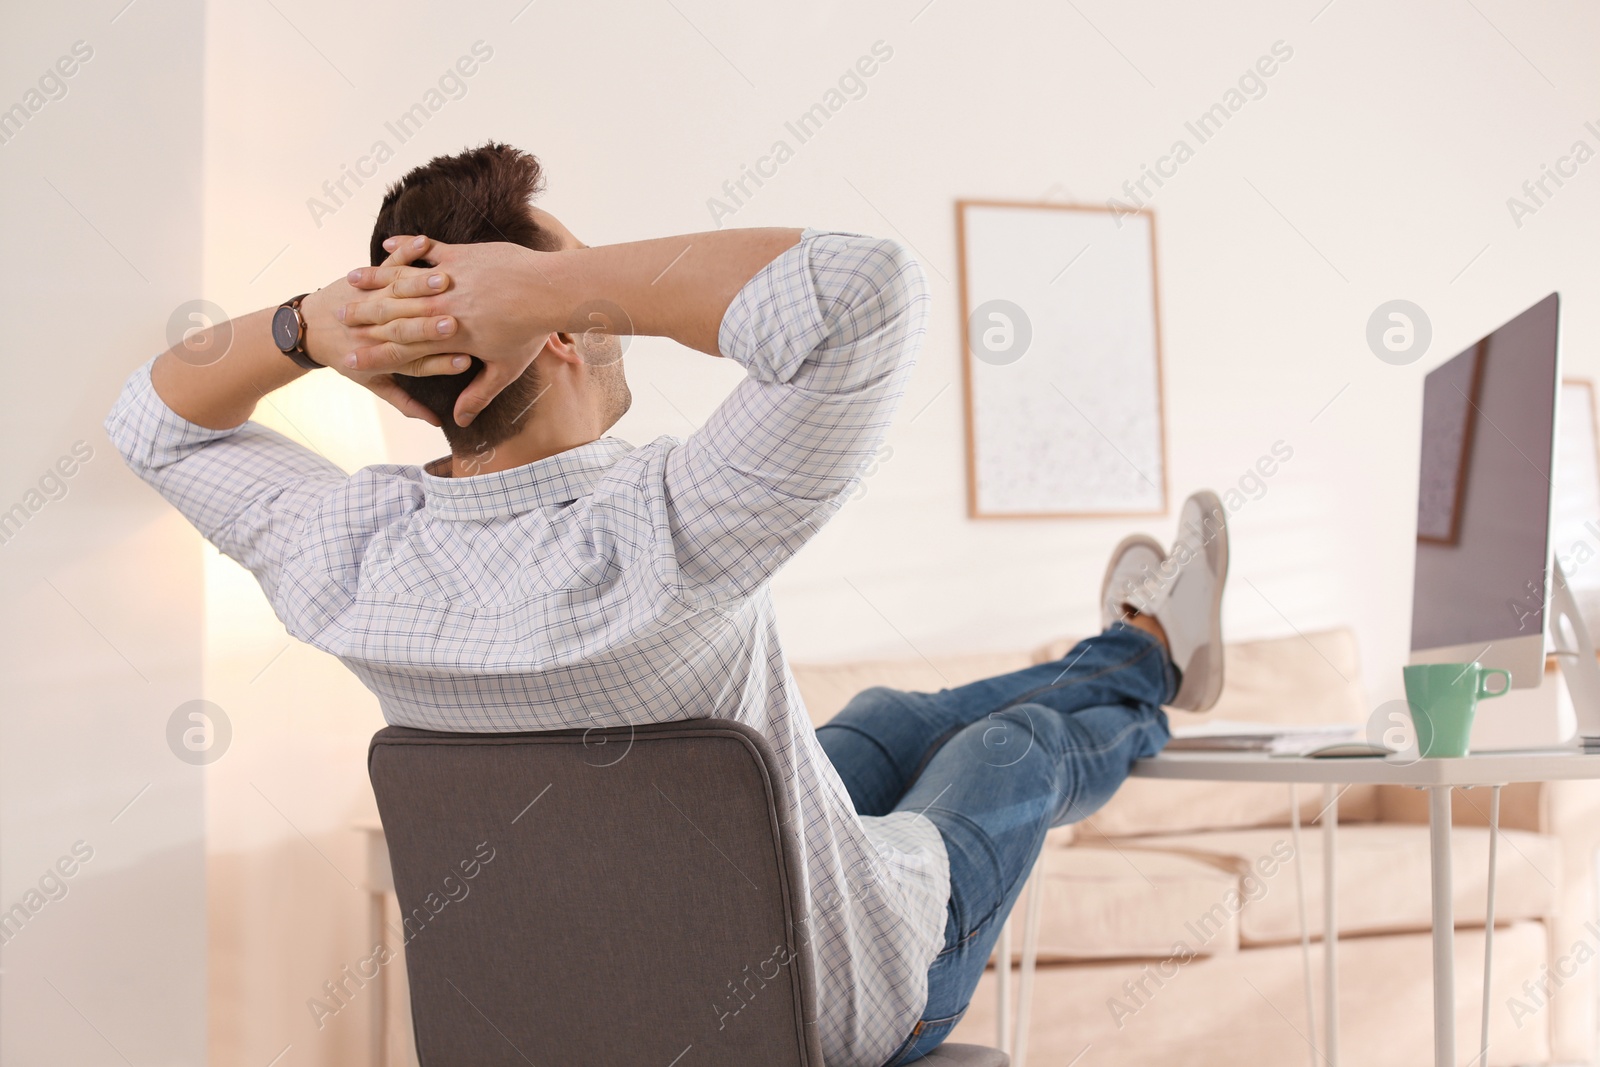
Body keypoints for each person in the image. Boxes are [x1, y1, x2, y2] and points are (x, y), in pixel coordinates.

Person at [107, 142, 1228, 1067]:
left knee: (884, 717)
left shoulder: (349, 552)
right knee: (1013, 746)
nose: (594, 290)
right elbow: (866, 293)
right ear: (547, 327)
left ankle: (1128, 639)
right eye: (573, 280)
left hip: (598, 1008)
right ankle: (1148, 661)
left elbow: (149, 422)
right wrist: (542, 278)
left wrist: (310, 323)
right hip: (826, 1011)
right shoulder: (666, 520)